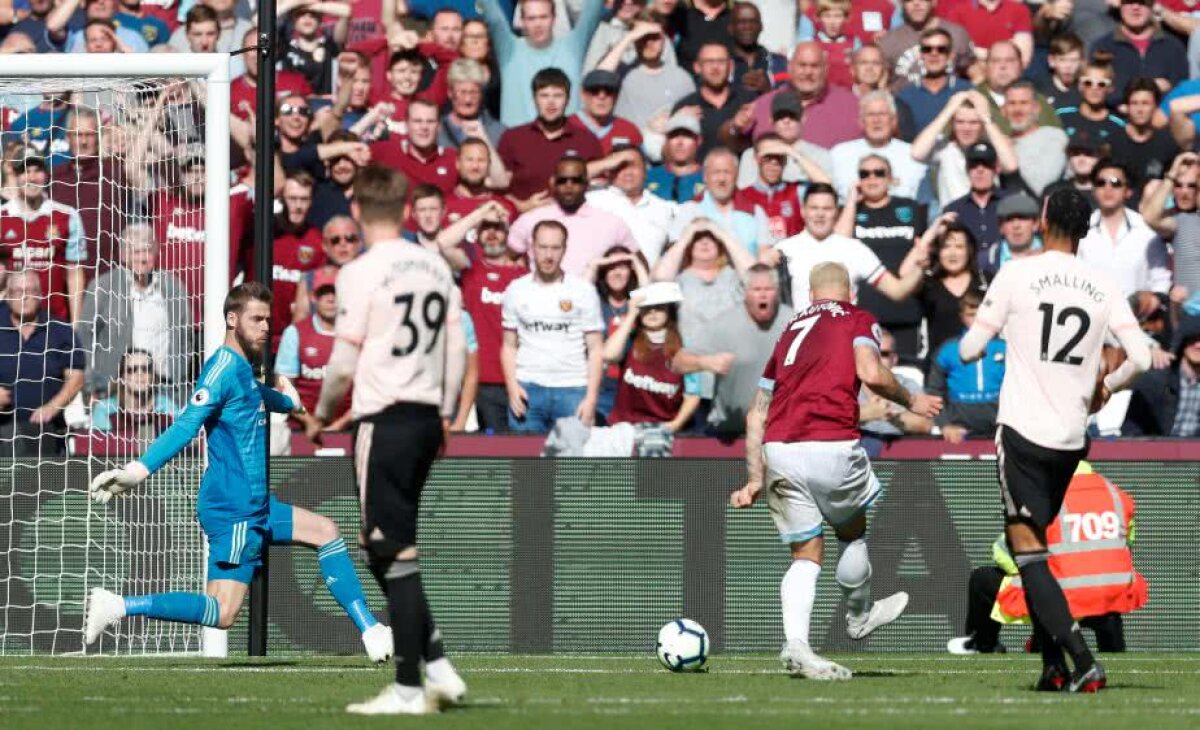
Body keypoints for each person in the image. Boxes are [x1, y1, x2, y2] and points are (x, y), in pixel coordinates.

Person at [83, 283, 395, 673]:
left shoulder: (242, 369)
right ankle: (118, 606)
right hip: (233, 508)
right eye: (256, 319)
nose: (265, 327)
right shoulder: (220, 369)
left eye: (268, 319)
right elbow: (186, 424)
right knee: (223, 611)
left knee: (326, 531)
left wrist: (290, 403)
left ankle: (370, 630)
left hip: (256, 505)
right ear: (232, 320)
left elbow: (256, 395)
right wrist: (136, 470)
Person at [957, 187, 1152, 692]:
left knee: (1028, 553)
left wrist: (996, 333)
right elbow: (1144, 357)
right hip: (1071, 439)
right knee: (1040, 547)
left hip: (1023, 430)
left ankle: (1082, 659)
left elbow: (970, 348)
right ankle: (1050, 667)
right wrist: (1107, 386)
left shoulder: (1017, 272)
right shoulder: (1101, 284)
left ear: (1044, 219)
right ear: (1086, 228)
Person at [730, 261, 942, 679]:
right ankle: (860, 616)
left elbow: (756, 414)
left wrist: (755, 477)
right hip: (830, 443)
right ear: (850, 294)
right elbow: (870, 372)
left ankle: (796, 645)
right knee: (851, 532)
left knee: (805, 555)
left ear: (811, 296)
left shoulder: (789, 331)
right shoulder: (858, 318)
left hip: (779, 448)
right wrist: (910, 401)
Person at [309, 165, 469, 713]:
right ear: (404, 210)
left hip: (382, 417)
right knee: (382, 544)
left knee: (389, 546)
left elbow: (342, 362)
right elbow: (456, 348)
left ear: (356, 210)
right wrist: (446, 412)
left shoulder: (359, 272)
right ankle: (440, 666)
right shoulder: (434, 265)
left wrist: (323, 412)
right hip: (427, 416)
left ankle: (407, 688)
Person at [948, 461, 1147, 655]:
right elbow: (1124, 547)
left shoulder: (1041, 497)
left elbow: (1007, 552)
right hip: (1110, 596)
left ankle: (984, 645)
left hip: (1060, 600)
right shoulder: (1116, 494)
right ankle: (1114, 652)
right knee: (1095, 589)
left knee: (984, 580)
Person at [502, 220, 605, 433]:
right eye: (543, 247)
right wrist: (512, 387)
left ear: (565, 250)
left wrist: (591, 398)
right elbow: (509, 345)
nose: (549, 255)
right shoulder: (516, 290)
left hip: (572, 389)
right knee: (528, 465)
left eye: (555, 248)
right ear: (532, 248)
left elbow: (595, 349)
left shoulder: (583, 291)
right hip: (528, 389)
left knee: (570, 464)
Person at [768, 183, 928, 310]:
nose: (820, 214)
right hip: (798, 342)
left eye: (827, 208)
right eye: (814, 208)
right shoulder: (783, 250)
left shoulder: (854, 249)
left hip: (844, 343)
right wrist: (764, 263)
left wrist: (920, 267)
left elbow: (897, 291)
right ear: (803, 211)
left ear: (837, 212)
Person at [78, 223, 194, 398]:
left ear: (156, 253)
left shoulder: (173, 288)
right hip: (115, 391)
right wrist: (90, 385)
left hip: (165, 391)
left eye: (147, 251)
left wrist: (179, 373)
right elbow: (84, 338)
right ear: (124, 255)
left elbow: (186, 337)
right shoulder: (102, 287)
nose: (142, 258)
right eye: (136, 252)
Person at [835, 154, 927, 363]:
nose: (872, 178)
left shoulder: (910, 209)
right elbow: (838, 246)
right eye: (864, 174)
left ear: (890, 178)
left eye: (879, 172)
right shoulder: (850, 213)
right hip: (864, 317)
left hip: (906, 314)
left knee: (906, 379)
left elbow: (921, 252)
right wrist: (851, 201)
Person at [508, 154, 639, 276]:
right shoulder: (530, 220)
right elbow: (504, 261)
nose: (569, 186)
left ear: (586, 183)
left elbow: (638, 262)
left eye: (576, 180)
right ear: (553, 183)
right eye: (562, 181)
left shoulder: (612, 223)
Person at [479, 0, 605, 127]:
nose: (538, 24)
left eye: (543, 17)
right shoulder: (510, 50)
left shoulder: (572, 47)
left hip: (566, 141)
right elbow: (493, 17)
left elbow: (593, 10)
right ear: (522, 21)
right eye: (531, 18)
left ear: (554, 18)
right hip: (518, 142)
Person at [0, 270, 85, 457]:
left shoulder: (60, 330)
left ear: (40, 294)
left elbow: (77, 377)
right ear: (6, 295)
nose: (24, 297)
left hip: (47, 434)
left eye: (30, 291)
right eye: (17, 291)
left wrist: (54, 406)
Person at [0, 146, 86, 325]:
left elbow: (74, 272)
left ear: (46, 174)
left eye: (37, 170)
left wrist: (76, 323)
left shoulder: (67, 215)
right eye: (25, 171)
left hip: (54, 322)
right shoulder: (2, 216)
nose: (32, 177)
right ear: (15, 177)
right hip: (9, 322)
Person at [602, 281, 701, 432]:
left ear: (670, 311)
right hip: (624, 427)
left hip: (662, 428)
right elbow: (608, 355)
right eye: (647, 308)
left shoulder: (685, 347)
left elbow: (693, 394)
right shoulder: (630, 339)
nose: (653, 312)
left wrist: (673, 426)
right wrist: (630, 316)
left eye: (660, 307)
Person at [1077, 160, 1171, 313]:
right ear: (1094, 190)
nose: (1108, 188)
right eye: (1101, 183)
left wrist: (1154, 302)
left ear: (1128, 191)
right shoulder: (1080, 232)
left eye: (1116, 183)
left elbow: (1161, 280)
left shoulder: (1147, 231)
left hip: (1138, 322)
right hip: (1092, 320)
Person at [276, 268, 353, 434]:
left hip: (349, 427)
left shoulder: (357, 334)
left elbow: (368, 390)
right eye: (324, 293)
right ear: (313, 297)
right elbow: (284, 387)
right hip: (302, 427)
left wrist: (340, 425)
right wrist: (309, 421)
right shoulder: (295, 333)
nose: (331, 298)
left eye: (336, 292)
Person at [928, 291, 1005, 442]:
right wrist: (945, 425)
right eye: (970, 315)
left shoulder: (1006, 347)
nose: (976, 321)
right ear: (961, 317)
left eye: (980, 315)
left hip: (1001, 428)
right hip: (959, 430)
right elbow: (934, 391)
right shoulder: (948, 350)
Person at [829, 91, 927, 201]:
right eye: (870, 115)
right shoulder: (840, 154)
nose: (876, 120)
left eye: (882, 114)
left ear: (893, 120)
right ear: (861, 122)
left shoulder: (912, 155)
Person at [916, 217, 990, 360]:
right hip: (938, 368)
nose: (952, 253)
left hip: (982, 364)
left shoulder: (986, 281)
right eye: (946, 246)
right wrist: (932, 232)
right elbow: (903, 275)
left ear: (969, 250)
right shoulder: (928, 284)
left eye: (959, 247)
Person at [1121, 314, 1200, 436]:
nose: (1198, 345)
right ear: (1183, 342)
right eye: (1193, 339)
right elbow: (1130, 431)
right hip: (1157, 451)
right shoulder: (1155, 381)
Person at [89, 348, 182, 435]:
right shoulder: (105, 410)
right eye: (132, 369)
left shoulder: (168, 407)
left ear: (153, 376)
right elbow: (102, 447)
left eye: (146, 369)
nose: (140, 374)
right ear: (122, 377)